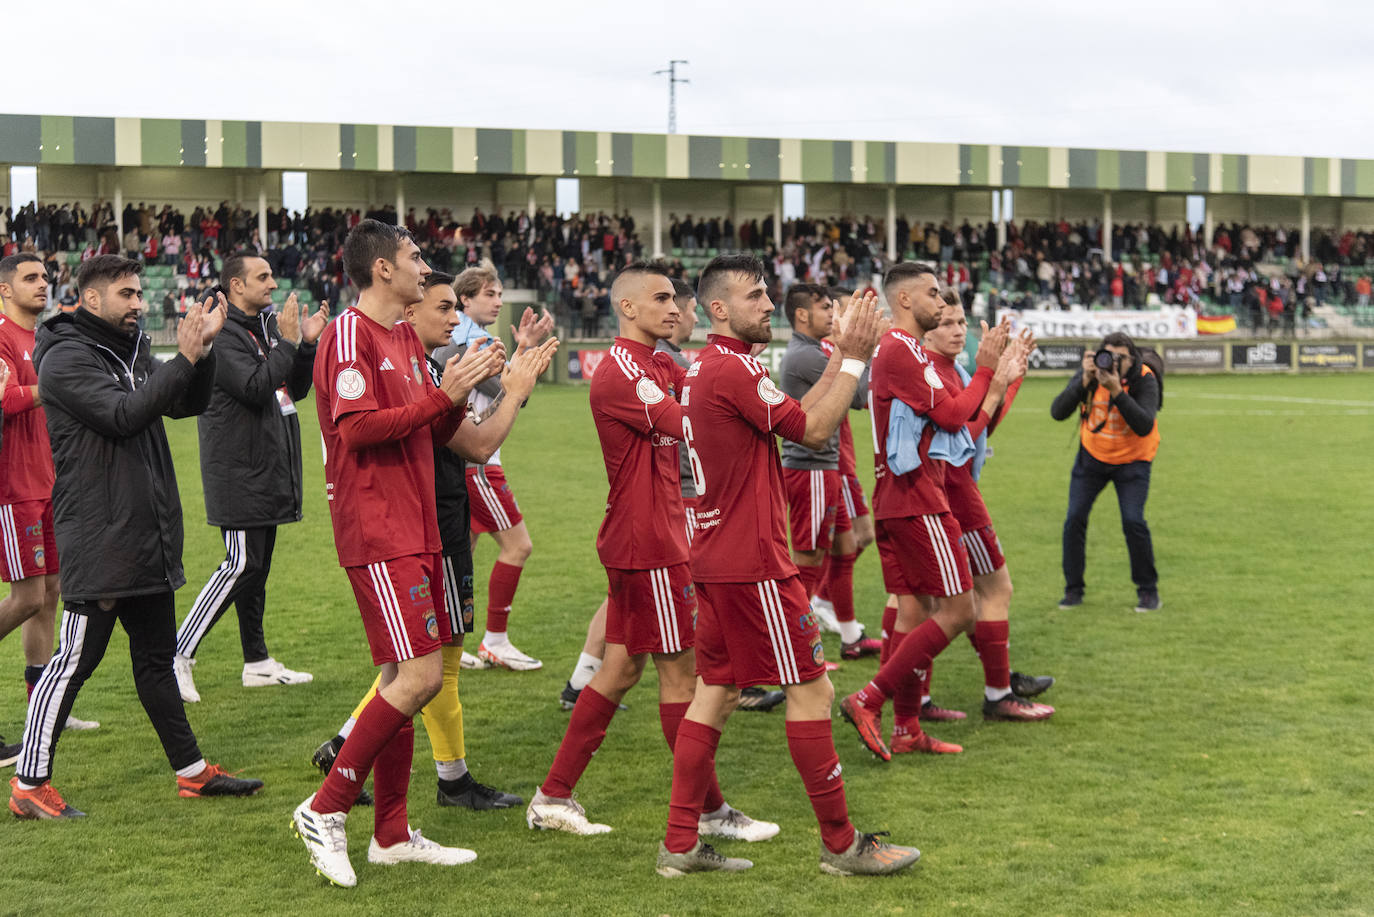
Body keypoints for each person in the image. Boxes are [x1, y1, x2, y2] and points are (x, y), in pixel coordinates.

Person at [657, 254, 919, 877]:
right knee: (813, 688)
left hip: (718, 554)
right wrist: (853, 354)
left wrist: (841, 355)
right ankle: (841, 845)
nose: (769, 305)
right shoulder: (731, 370)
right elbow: (814, 428)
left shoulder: (716, 367)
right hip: (753, 562)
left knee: (715, 693)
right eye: (755, 296)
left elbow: (801, 421)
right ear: (720, 308)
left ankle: (678, 843)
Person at [528, 262, 776, 843]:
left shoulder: (660, 362)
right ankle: (709, 811)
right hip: (650, 541)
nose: (675, 309)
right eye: (662, 299)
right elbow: (697, 424)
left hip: (649, 535)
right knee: (681, 677)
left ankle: (553, 796)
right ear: (628, 308)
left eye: (678, 300)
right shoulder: (622, 372)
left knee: (619, 670)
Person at [10, 255, 262, 819]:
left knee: (154, 660)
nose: (139, 303)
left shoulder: (132, 348)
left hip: (146, 531)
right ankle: (28, 783)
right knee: (73, 660)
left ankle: (192, 772)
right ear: (92, 300)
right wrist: (188, 356)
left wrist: (205, 352)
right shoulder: (65, 358)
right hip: (100, 533)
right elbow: (123, 415)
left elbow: (184, 404)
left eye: (139, 294)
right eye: (127, 294)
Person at [290, 220, 504, 887]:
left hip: (414, 527)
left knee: (401, 680)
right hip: (378, 528)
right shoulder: (350, 335)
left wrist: (460, 389)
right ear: (383, 268)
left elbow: (435, 426)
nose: (423, 266)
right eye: (415, 258)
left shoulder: (406, 337)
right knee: (419, 678)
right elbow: (355, 431)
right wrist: (443, 393)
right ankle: (325, 809)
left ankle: (390, 832)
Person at [310, 270, 553, 813]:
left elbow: (477, 440)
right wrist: (458, 394)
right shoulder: (370, 346)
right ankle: (393, 784)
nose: (450, 317)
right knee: (427, 668)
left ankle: (388, 807)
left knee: (416, 667)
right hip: (410, 527)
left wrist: (511, 391)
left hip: (431, 524)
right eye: (442, 306)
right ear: (407, 311)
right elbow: (362, 429)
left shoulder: (425, 365)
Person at [838, 262, 1043, 763]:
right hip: (918, 499)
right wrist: (994, 370)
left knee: (916, 610)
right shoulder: (900, 350)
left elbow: (960, 422)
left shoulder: (907, 351)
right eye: (935, 296)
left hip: (905, 496)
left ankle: (907, 726)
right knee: (960, 608)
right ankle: (869, 699)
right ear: (906, 300)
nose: (945, 307)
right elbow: (957, 418)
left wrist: (996, 378)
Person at [173, 253, 328, 702]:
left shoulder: (261, 328)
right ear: (236, 285)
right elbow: (257, 388)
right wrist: (287, 342)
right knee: (240, 565)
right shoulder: (219, 333)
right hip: (238, 470)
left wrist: (304, 346)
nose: (273, 283)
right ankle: (177, 654)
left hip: (267, 467)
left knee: (256, 570)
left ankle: (257, 662)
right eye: (263, 277)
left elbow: (292, 389)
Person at [908, 290, 1056, 718]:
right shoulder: (936, 372)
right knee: (992, 591)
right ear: (927, 331)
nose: (959, 331)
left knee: (930, 602)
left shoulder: (945, 370)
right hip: (954, 495)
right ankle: (998, 694)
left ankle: (951, 693)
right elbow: (964, 437)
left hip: (942, 493)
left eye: (962, 324)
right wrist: (1000, 383)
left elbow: (978, 426)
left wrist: (1006, 382)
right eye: (947, 323)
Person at [0, 254, 100, 753]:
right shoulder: (0, 336)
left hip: (50, 482)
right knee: (28, 598)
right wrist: (52, 387)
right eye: (30, 278)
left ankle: (43, 704)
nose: (43, 284)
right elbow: (5, 400)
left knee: (53, 592)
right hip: (14, 488)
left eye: (44, 277)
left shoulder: (40, 338)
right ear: (4, 290)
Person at [448, 265, 554, 671]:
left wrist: (523, 349)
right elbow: (513, 393)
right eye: (490, 294)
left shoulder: (460, 336)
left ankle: (450, 648)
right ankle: (495, 640)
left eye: (500, 294)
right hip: (479, 463)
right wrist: (525, 352)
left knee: (463, 553)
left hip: (467, 460)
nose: (498, 302)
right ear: (466, 299)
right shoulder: (471, 340)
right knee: (518, 545)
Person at [778, 283, 881, 660]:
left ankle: (851, 637)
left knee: (845, 545)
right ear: (802, 315)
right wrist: (864, 350)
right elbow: (857, 395)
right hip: (812, 468)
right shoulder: (806, 357)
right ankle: (797, 648)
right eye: (825, 308)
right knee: (808, 560)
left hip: (825, 467)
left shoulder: (811, 351)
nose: (831, 314)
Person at [1051, 331, 1161, 613]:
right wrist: (1083, 382)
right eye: (1108, 355)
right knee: (1074, 519)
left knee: (1133, 521)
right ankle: (1073, 589)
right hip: (1092, 459)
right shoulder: (1092, 374)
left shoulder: (1144, 378)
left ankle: (1148, 591)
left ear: (1131, 358)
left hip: (1133, 460)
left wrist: (1116, 390)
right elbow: (1058, 411)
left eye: (1120, 358)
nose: (1113, 363)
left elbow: (1144, 424)